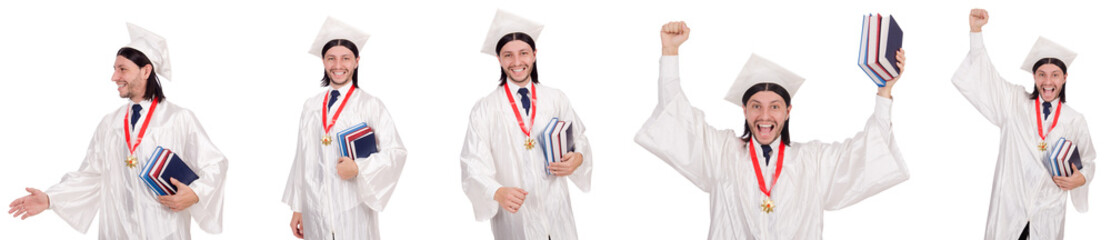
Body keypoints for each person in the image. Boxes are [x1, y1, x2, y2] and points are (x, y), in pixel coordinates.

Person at [635, 21, 909, 239]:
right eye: (755, 106)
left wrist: (884, 91)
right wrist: (670, 52)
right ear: (744, 110)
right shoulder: (721, 153)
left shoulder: (812, 162)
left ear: (788, 112)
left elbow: (866, 154)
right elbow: (677, 116)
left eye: (775, 107)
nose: (764, 116)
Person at [6, 23, 228, 239]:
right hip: (117, 231)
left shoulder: (178, 119)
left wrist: (196, 193)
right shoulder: (110, 124)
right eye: (114, 69)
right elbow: (90, 175)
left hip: (164, 231)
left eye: (123, 69)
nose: (114, 77)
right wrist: (51, 199)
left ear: (146, 70)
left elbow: (215, 163)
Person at [954, 9, 1096, 240]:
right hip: (1010, 211)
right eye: (1042, 74)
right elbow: (986, 77)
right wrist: (976, 32)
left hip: (1047, 213)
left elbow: (1088, 161)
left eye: (1055, 75)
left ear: (1065, 77)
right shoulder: (1013, 103)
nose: (1048, 82)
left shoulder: (1074, 120)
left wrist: (1081, 178)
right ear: (1034, 76)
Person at [460, 9, 592, 240]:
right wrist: (496, 191)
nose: (517, 61)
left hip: (556, 211)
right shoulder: (486, 108)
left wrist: (578, 158)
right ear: (499, 59)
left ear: (534, 54)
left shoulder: (556, 98)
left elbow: (578, 139)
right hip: (515, 218)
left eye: (523, 53)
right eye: (508, 55)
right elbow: (472, 162)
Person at [282, 17, 407, 240]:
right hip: (315, 208)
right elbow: (302, 159)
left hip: (353, 210)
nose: (338, 66)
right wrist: (298, 207)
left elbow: (396, 153)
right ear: (323, 61)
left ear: (357, 61)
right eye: (331, 58)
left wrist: (359, 167)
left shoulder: (370, 105)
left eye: (345, 58)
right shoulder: (311, 106)